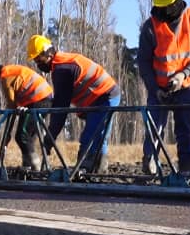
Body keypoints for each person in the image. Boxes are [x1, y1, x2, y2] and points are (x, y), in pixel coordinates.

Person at [137, 0, 190, 175]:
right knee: (154, 128)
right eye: (160, 7)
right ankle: (150, 163)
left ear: (178, 1)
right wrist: (154, 88)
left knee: (184, 130)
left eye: (167, 7)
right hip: (157, 88)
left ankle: (186, 168)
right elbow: (143, 61)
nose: (163, 12)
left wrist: (182, 76)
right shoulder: (150, 26)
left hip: (184, 87)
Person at [26, 34, 121, 173]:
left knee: (91, 135)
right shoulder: (61, 64)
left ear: (48, 53)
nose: (38, 64)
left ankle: (88, 167)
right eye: (35, 60)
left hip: (104, 95)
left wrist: (50, 138)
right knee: (98, 134)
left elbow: (61, 109)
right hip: (98, 97)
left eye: (39, 59)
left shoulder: (62, 69)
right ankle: (96, 168)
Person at [0, 59, 54, 169]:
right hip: (41, 99)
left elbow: (11, 106)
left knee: (22, 136)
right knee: (26, 137)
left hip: (39, 100)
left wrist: (7, 133)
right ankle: (28, 166)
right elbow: (13, 106)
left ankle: (35, 167)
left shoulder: (5, 77)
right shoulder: (8, 71)